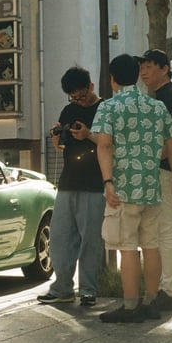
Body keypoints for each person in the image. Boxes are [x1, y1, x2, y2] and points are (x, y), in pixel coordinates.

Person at [92, 54, 172, 323]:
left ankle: (131, 306)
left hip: (124, 188)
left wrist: (108, 182)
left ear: (112, 79)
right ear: (136, 75)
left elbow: (104, 145)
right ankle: (150, 302)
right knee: (151, 245)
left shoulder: (109, 107)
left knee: (127, 247)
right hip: (152, 187)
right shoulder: (156, 107)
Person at [37, 66, 105, 307]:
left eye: (81, 95)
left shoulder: (104, 108)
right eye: (73, 97)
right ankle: (62, 287)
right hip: (68, 181)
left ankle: (88, 289)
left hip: (96, 182)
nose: (78, 100)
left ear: (91, 87)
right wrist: (57, 138)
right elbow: (61, 146)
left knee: (91, 240)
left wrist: (87, 135)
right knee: (60, 236)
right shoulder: (69, 110)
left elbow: (111, 143)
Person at [138, 49, 172, 312]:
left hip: (165, 172)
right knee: (158, 232)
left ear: (165, 69)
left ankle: (170, 291)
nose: (144, 72)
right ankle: (165, 288)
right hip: (162, 171)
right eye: (142, 68)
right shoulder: (159, 96)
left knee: (165, 231)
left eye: (149, 66)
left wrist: (153, 158)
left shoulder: (171, 96)